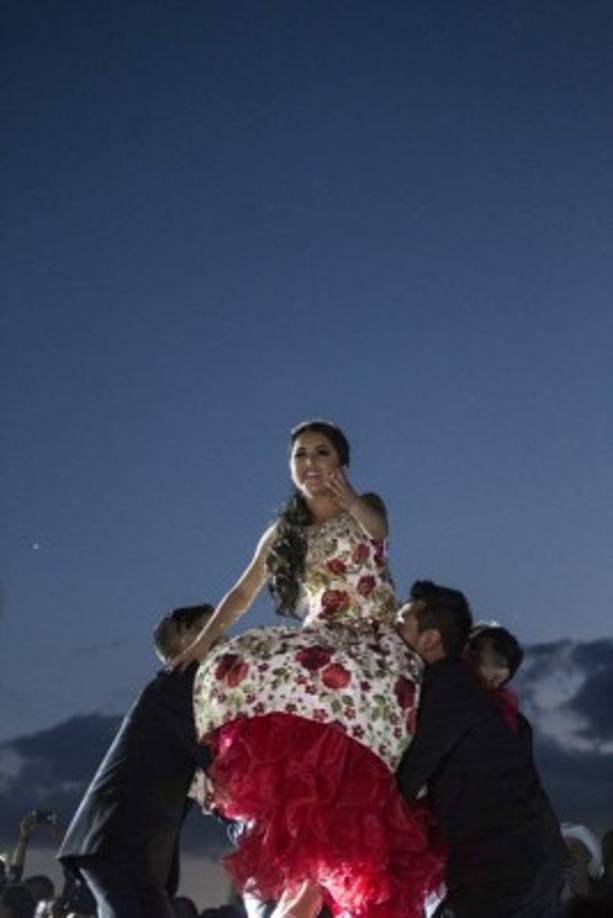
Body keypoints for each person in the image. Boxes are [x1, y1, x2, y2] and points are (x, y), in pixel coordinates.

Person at [174, 421, 442, 918]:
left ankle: (315, 882)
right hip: (321, 640)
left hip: (372, 642)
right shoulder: (284, 531)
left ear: (341, 462)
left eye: (322, 453)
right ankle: (299, 875)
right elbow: (241, 593)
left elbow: (378, 530)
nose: (311, 463)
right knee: (244, 664)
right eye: (300, 455)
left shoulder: (366, 504)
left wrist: (351, 498)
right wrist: (200, 643)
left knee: (346, 731)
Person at [396, 581, 567, 918]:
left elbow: (409, 775)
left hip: (503, 865)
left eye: (401, 624)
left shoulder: (448, 683)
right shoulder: (492, 710)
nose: (391, 631)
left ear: (431, 639)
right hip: (531, 860)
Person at [58, 604, 215, 918]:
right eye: (212, 628)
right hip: (119, 846)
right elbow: (215, 756)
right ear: (187, 637)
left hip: (127, 850)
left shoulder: (178, 687)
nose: (224, 637)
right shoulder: (179, 683)